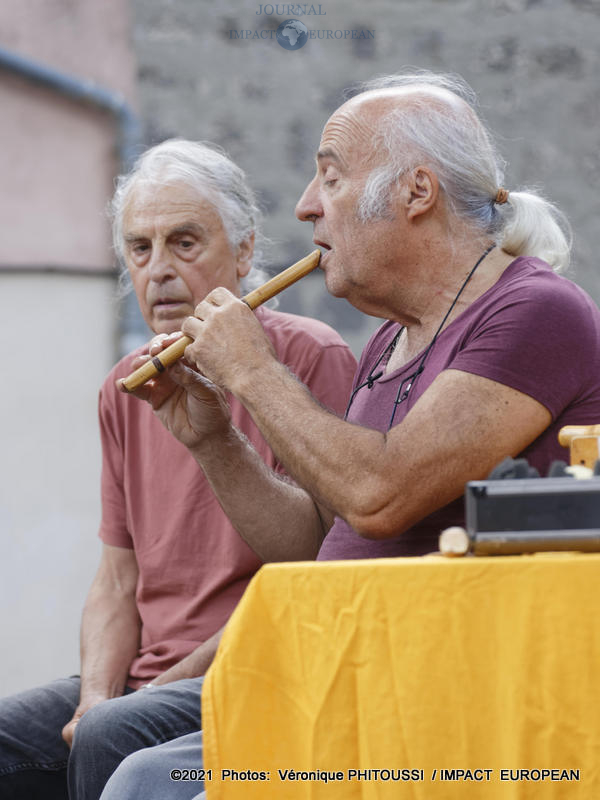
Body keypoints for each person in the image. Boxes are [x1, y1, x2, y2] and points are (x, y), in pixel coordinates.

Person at [99, 69, 600, 800]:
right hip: (352, 673)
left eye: (329, 180)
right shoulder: (389, 342)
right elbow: (316, 546)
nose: (306, 208)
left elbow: (380, 495)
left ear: (416, 193)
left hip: (443, 703)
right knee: (139, 770)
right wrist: (212, 439)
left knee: (146, 781)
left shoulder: (532, 311)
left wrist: (254, 371)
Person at [0, 139, 357, 800]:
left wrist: (141, 697)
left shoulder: (309, 356)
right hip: (143, 677)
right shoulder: (123, 387)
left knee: (113, 736)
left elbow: (316, 571)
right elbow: (117, 577)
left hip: (258, 668)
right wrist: (97, 694)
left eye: (184, 243)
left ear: (245, 251)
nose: (158, 271)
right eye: (140, 249)